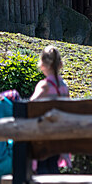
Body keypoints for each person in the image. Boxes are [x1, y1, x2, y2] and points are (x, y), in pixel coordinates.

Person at [30, 45, 71, 174]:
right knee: (52, 165)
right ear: (60, 64)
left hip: (44, 136)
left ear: (42, 64)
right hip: (59, 137)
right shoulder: (64, 87)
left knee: (42, 166)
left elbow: (31, 106)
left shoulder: (44, 86)